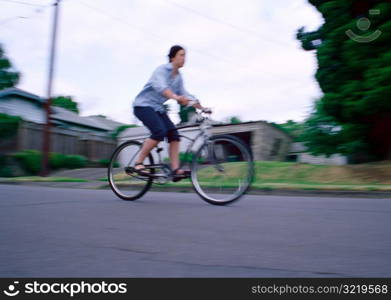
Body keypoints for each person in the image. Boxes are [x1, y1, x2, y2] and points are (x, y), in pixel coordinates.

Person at [132, 45, 211, 181]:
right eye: (181, 55)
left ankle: (175, 170)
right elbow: (161, 88)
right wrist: (176, 98)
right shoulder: (161, 70)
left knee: (174, 135)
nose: (184, 58)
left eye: (185, 55)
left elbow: (185, 94)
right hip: (143, 106)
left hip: (158, 108)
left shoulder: (178, 77)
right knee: (159, 132)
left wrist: (201, 107)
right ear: (172, 57)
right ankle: (138, 163)